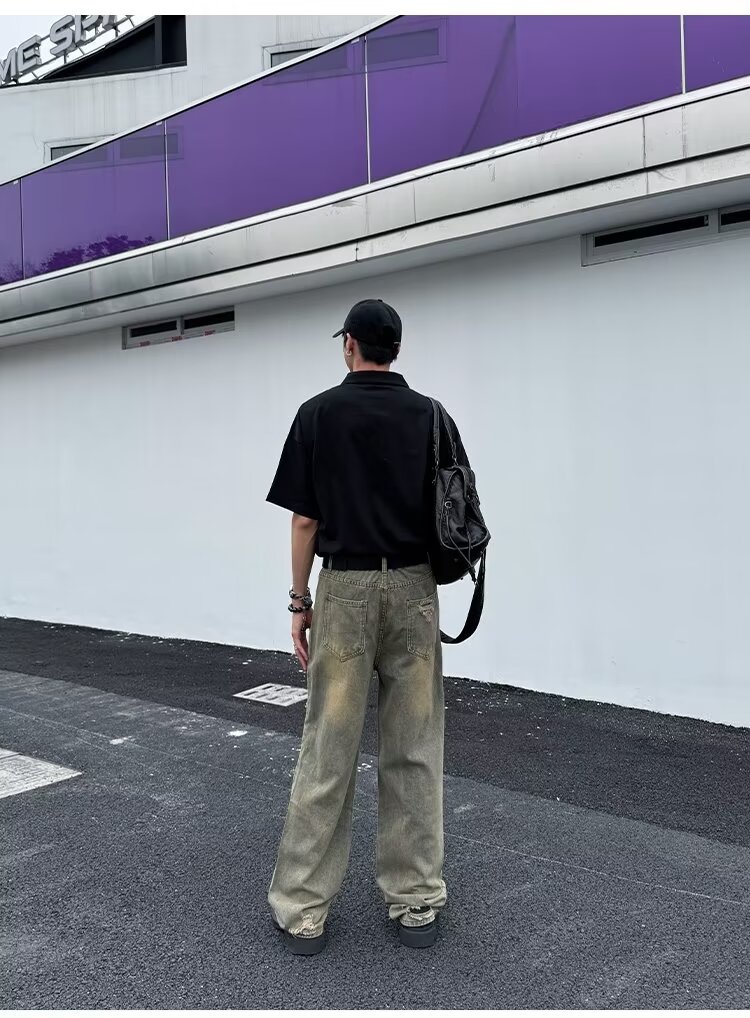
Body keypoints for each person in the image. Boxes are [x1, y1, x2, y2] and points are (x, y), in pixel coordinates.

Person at [265, 298, 471, 955]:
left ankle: (303, 909)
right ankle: (416, 902)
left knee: (328, 748)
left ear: (350, 345)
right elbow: (456, 502)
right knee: (414, 746)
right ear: (396, 349)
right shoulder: (432, 415)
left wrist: (299, 602)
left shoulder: (318, 413)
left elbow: (305, 520)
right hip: (414, 590)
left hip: (347, 588)